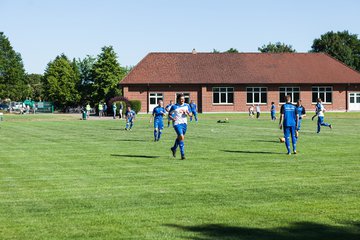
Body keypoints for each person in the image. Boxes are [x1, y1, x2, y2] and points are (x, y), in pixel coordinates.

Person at [169, 94, 192, 160]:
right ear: (178, 99)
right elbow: (169, 115)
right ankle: (182, 155)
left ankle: (174, 148)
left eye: (183, 99)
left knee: (180, 138)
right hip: (177, 123)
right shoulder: (174, 106)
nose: (183, 100)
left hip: (184, 124)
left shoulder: (187, 105)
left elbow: (191, 115)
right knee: (181, 137)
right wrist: (173, 119)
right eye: (181, 99)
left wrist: (188, 113)